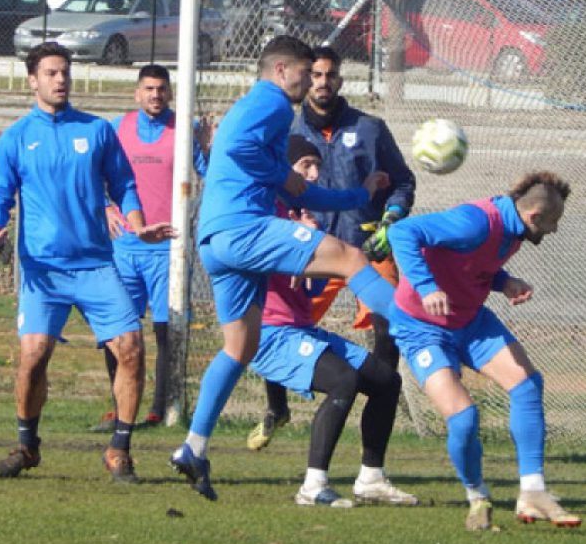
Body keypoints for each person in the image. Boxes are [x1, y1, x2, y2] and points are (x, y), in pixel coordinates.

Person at [169, 35, 394, 501]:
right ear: (280, 71)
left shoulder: (263, 109)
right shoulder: (270, 103)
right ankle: (424, 326)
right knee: (351, 259)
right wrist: (280, 175)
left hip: (215, 239)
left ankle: (193, 447)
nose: (311, 81)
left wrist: (361, 195)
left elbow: (302, 192)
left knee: (239, 346)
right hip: (242, 227)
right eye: (305, 72)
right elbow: (234, 152)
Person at [0, 42, 175, 483]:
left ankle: (119, 449)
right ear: (33, 80)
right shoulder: (15, 137)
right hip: (43, 271)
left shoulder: (97, 130)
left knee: (131, 349)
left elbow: (124, 184)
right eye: (51, 73)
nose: (60, 79)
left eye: (65, 72)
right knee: (33, 357)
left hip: (96, 267)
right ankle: (27, 446)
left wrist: (138, 224)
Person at [386, 171, 581, 531]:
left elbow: (468, 263)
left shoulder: (513, 231)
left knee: (526, 384)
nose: (554, 231)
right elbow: (401, 232)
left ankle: (533, 492)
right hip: (422, 328)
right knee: (463, 418)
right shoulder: (474, 222)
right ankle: (477, 495)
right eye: (553, 222)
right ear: (534, 216)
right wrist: (427, 288)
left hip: (470, 320)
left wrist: (504, 281)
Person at [247, 44, 416, 451]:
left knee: (388, 327)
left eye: (331, 75)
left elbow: (403, 182)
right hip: (310, 254)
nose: (323, 82)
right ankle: (277, 407)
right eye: (316, 75)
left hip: (365, 249)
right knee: (281, 324)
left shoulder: (370, 128)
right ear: (307, 79)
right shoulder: (287, 131)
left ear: (341, 79)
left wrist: (392, 217)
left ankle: (377, 418)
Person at [249, 134, 416, 507]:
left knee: (386, 381)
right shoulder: (266, 213)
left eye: (316, 165)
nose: (314, 172)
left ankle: (371, 478)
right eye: (304, 165)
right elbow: (255, 258)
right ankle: (313, 486)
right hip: (270, 332)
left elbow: (316, 276)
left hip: (299, 327)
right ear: (284, 169)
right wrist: (298, 245)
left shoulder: (301, 215)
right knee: (344, 380)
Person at [95, 63, 209, 431]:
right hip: (124, 248)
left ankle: (160, 408)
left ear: (170, 93)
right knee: (120, 328)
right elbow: (93, 175)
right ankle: (119, 405)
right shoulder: (117, 128)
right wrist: (106, 207)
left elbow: (207, 172)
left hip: (167, 249)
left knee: (165, 331)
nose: (155, 95)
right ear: (137, 93)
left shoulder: (185, 129)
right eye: (149, 88)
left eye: (162, 89)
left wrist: (207, 146)